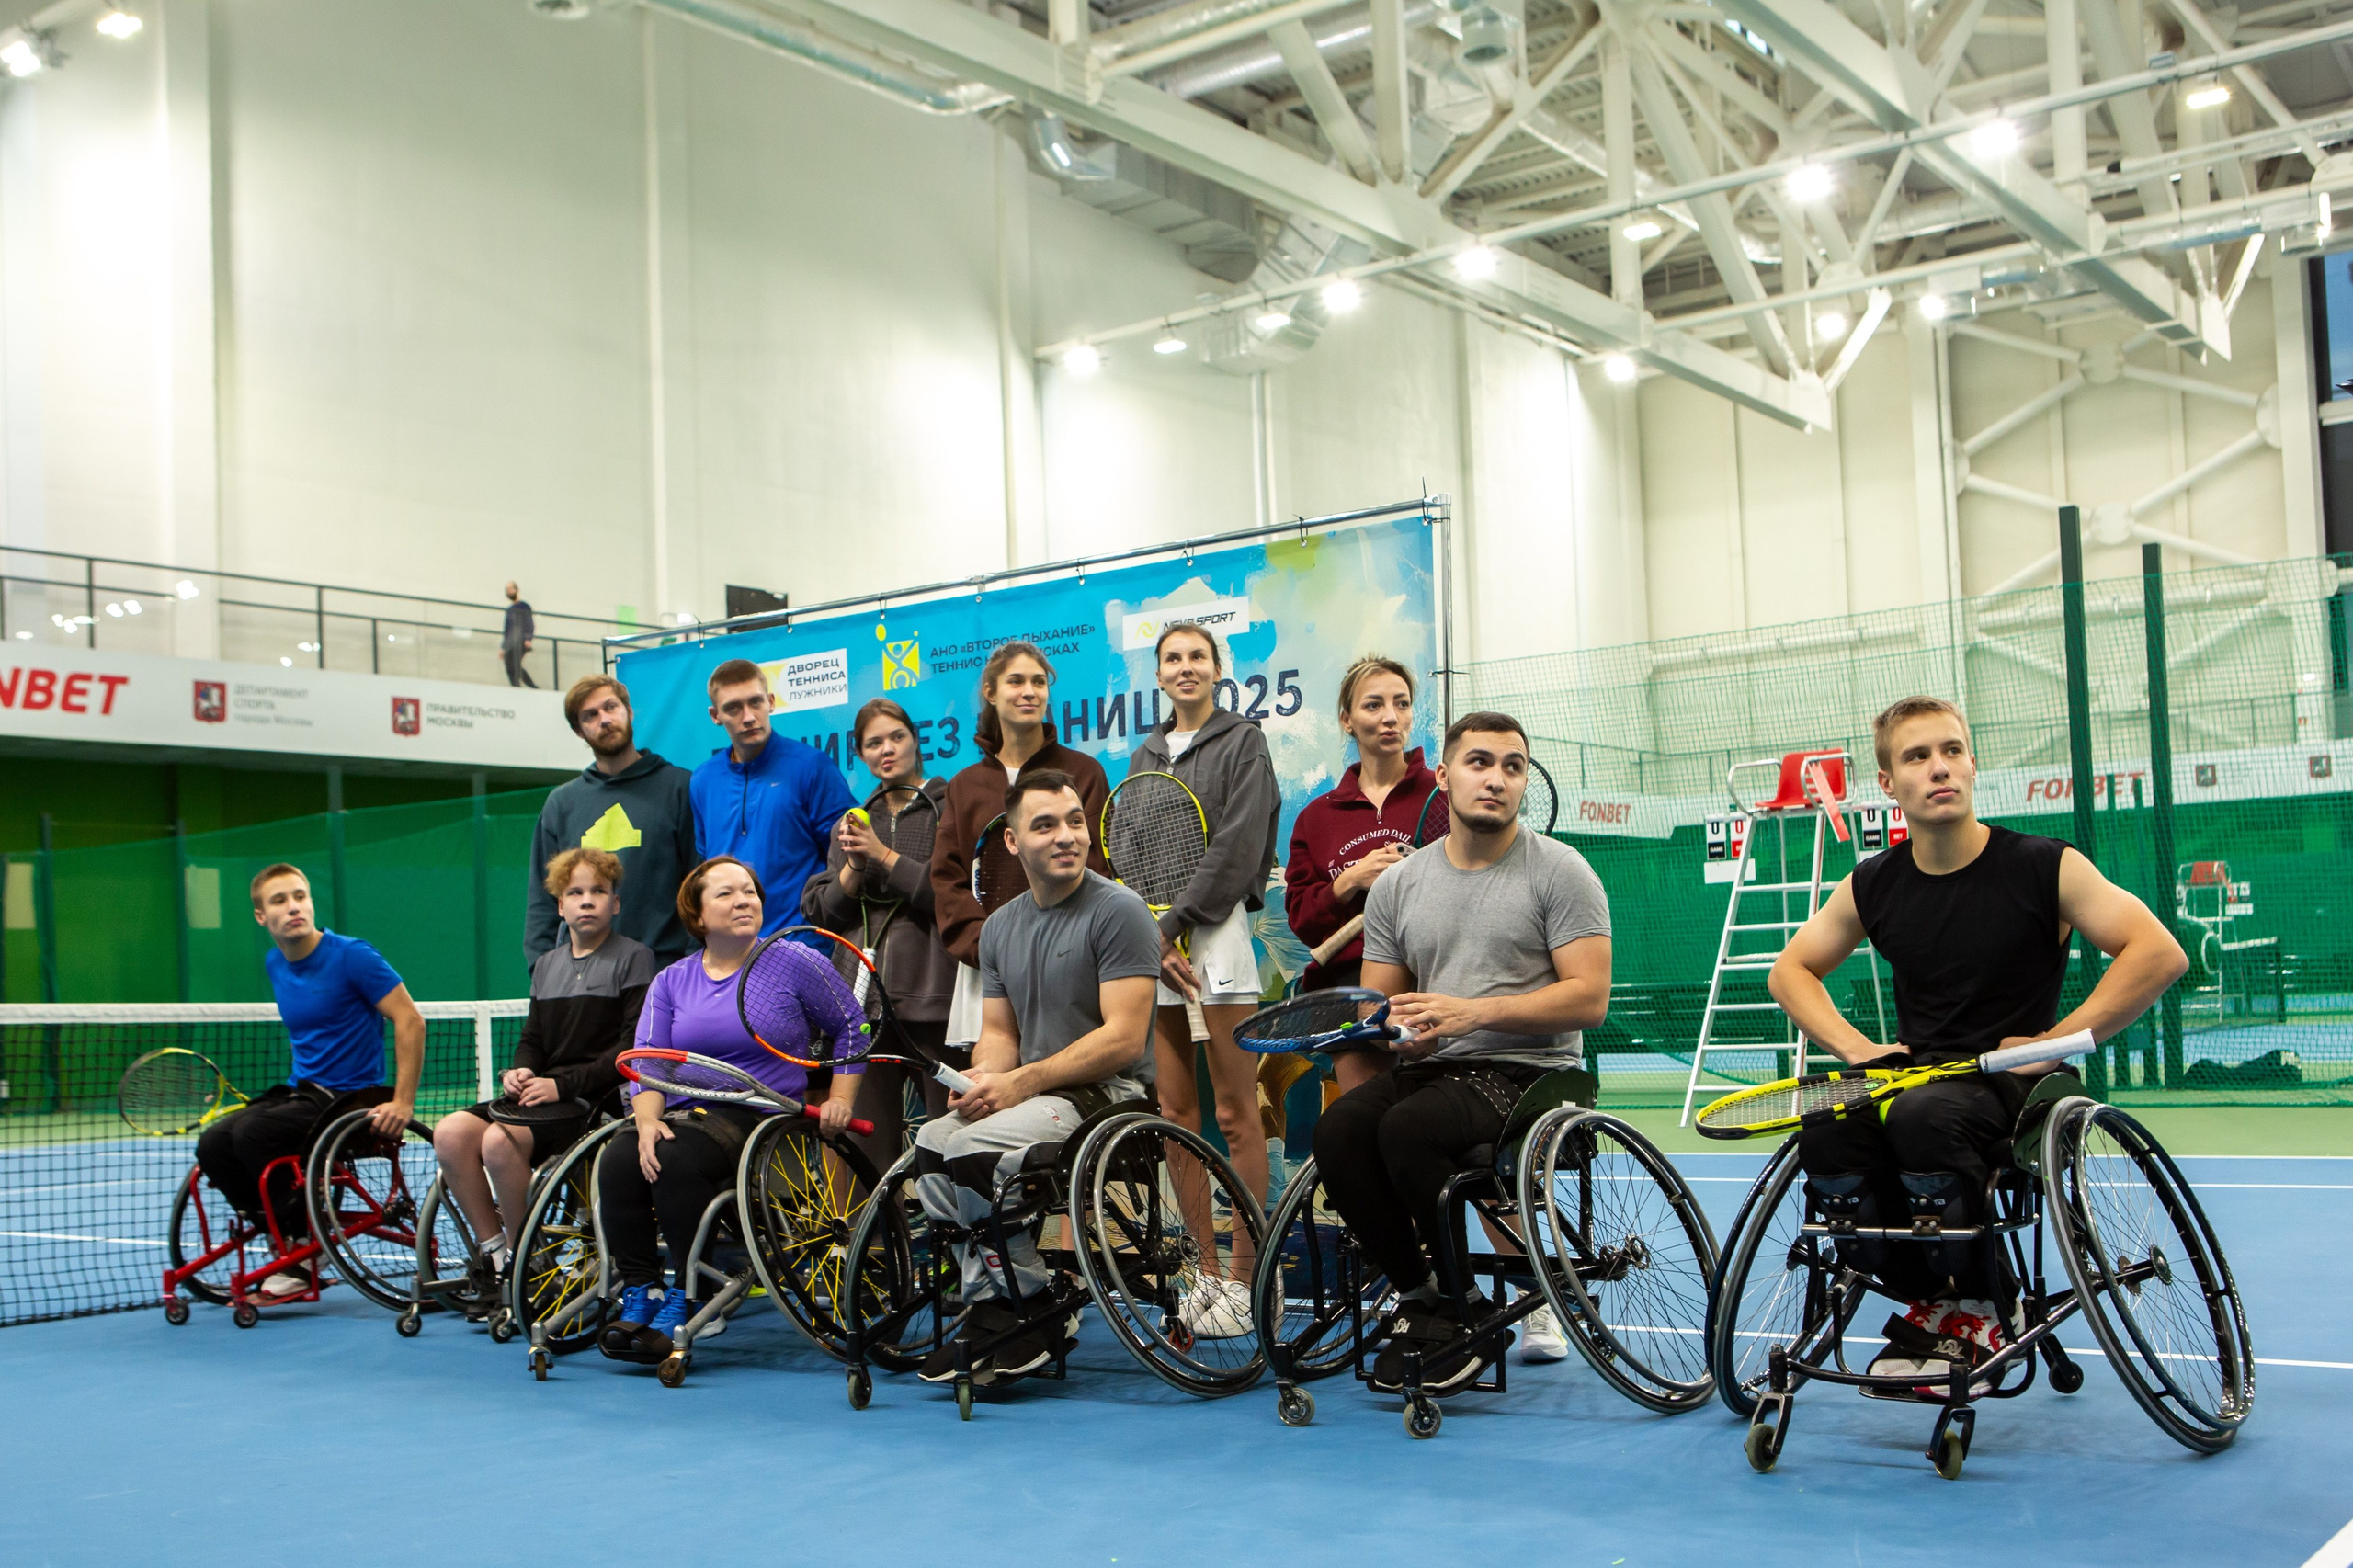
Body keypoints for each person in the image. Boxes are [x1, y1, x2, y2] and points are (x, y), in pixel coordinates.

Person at [1768, 695, 2186, 1389]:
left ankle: (1978, 1301)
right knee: (1827, 1113)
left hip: (2016, 1083)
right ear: (1888, 783)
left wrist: (2057, 1040)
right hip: (1913, 1077)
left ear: (1971, 762)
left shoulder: (2045, 865)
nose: (1939, 768)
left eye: (1951, 751)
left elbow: (2157, 952)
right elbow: (1791, 971)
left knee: (1923, 1116)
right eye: (1917, 756)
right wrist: (1853, 1048)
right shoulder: (1874, 883)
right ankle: (1925, 1299)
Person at [1313, 711, 1612, 1393]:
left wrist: (1472, 1012)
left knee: (1407, 1129)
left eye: (1513, 766)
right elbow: (1383, 1004)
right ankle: (1433, 1299)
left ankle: (1458, 1303)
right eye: (1480, 763)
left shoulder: (1563, 872)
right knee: (1338, 1130)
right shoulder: (1398, 886)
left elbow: (1589, 998)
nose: (1498, 779)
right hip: (1435, 1069)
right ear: (1444, 778)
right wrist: (1392, 1026)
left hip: (1532, 1074)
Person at [912, 771, 1160, 1385]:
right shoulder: (999, 928)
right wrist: (982, 1077)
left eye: (1075, 821)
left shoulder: (1121, 911)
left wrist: (1020, 1084)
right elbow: (1000, 1037)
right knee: (933, 1142)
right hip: (1037, 1092)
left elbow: (1124, 1037)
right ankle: (996, 1303)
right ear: (1014, 843)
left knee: (970, 1149)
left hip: (1107, 1098)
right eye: (1045, 825)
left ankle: (1032, 1304)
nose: (1066, 836)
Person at [597, 856, 866, 1360]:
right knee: (619, 1156)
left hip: (763, 1118)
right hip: (686, 1113)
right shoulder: (671, 981)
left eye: (750, 892)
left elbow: (854, 1026)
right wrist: (649, 1120)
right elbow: (649, 1065)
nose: (744, 901)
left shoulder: (795, 961)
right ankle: (642, 1289)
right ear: (697, 915)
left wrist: (841, 1099)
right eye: (726, 894)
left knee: (675, 1160)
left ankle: (691, 1294)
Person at [195, 865, 425, 1301]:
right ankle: (286, 1237)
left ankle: (306, 1245)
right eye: (279, 900)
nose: (294, 906)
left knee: (252, 1134)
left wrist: (402, 1102)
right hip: (304, 1092)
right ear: (262, 917)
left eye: (300, 896)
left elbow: (410, 1020)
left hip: (351, 1099)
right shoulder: (275, 964)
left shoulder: (352, 956)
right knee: (213, 1145)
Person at [437, 847, 652, 1308]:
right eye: (575, 893)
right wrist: (523, 1069)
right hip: (543, 1096)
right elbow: (533, 1037)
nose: (587, 901)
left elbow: (629, 1050)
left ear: (615, 903)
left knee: (497, 1142)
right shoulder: (547, 966)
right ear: (560, 905)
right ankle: (496, 1252)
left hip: (596, 1103)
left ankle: (525, 1259)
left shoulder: (635, 958)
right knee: (451, 1132)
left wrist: (563, 1086)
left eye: (599, 891)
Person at [1126, 622, 1281, 1243]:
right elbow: (1130, 851)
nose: (1185, 666)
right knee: (1175, 1114)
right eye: (1172, 657)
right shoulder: (1144, 756)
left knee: (1236, 1115)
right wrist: (1152, 935)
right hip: (1157, 948)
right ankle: (1207, 1274)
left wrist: (1171, 925)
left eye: (1197, 656)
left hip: (1217, 940)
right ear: (1160, 675)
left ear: (1217, 670)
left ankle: (1248, 1276)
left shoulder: (1245, 743)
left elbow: (1238, 849)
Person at [930, 642, 1110, 1053]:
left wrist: (1065, 947)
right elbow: (948, 879)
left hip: (1068, 963)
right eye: (1016, 681)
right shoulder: (964, 786)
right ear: (991, 693)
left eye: (1038, 682)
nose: (1029, 691)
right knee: (995, 1094)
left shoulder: (1084, 772)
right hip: (987, 970)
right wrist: (990, 950)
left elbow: (1098, 867)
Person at [802, 697, 958, 1174]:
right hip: (861, 1002)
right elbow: (825, 915)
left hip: (936, 998)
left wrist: (882, 856)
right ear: (861, 754)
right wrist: (853, 865)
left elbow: (950, 898)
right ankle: (869, 1248)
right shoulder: (851, 822)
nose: (886, 750)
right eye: (873, 743)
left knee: (949, 1138)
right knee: (863, 1147)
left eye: (896, 737)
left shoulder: (951, 804)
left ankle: (958, 1244)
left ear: (916, 739)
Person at [1284, 654, 1446, 1096]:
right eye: (1373, 705)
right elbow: (1302, 920)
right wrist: (1349, 880)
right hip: (1349, 990)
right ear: (1347, 720)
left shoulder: (1446, 796)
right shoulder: (1316, 818)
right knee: (1364, 1121)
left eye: (1402, 703)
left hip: (1433, 980)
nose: (1391, 717)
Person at [527, 674, 699, 965]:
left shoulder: (681, 788)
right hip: (582, 982)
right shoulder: (562, 803)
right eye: (590, 715)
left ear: (629, 712)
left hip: (664, 978)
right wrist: (544, 973)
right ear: (579, 730)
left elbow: (698, 885)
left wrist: (693, 969)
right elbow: (542, 902)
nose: (604, 719)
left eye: (611, 707)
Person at [689, 658, 858, 939]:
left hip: (804, 945)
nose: (747, 716)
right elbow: (707, 870)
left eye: (755, 702)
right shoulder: (702, 779)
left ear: (770, 701)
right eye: (733, 708)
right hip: (732, 952)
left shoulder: (812, 767)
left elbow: (847, 858)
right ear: (715, 715)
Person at [501, 581, 535, 688]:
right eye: (507, 590)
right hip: (510, 642)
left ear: (516, 590)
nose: (509, 592)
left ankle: (532, 686)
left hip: (520, 639)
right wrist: (502, 647)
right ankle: (515, 687)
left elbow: (529, 622)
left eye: (511, 589)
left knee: (515, 664)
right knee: (508, 665)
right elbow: (507, 630)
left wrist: (528, 638)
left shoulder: (524, 606)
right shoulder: (509, 609)